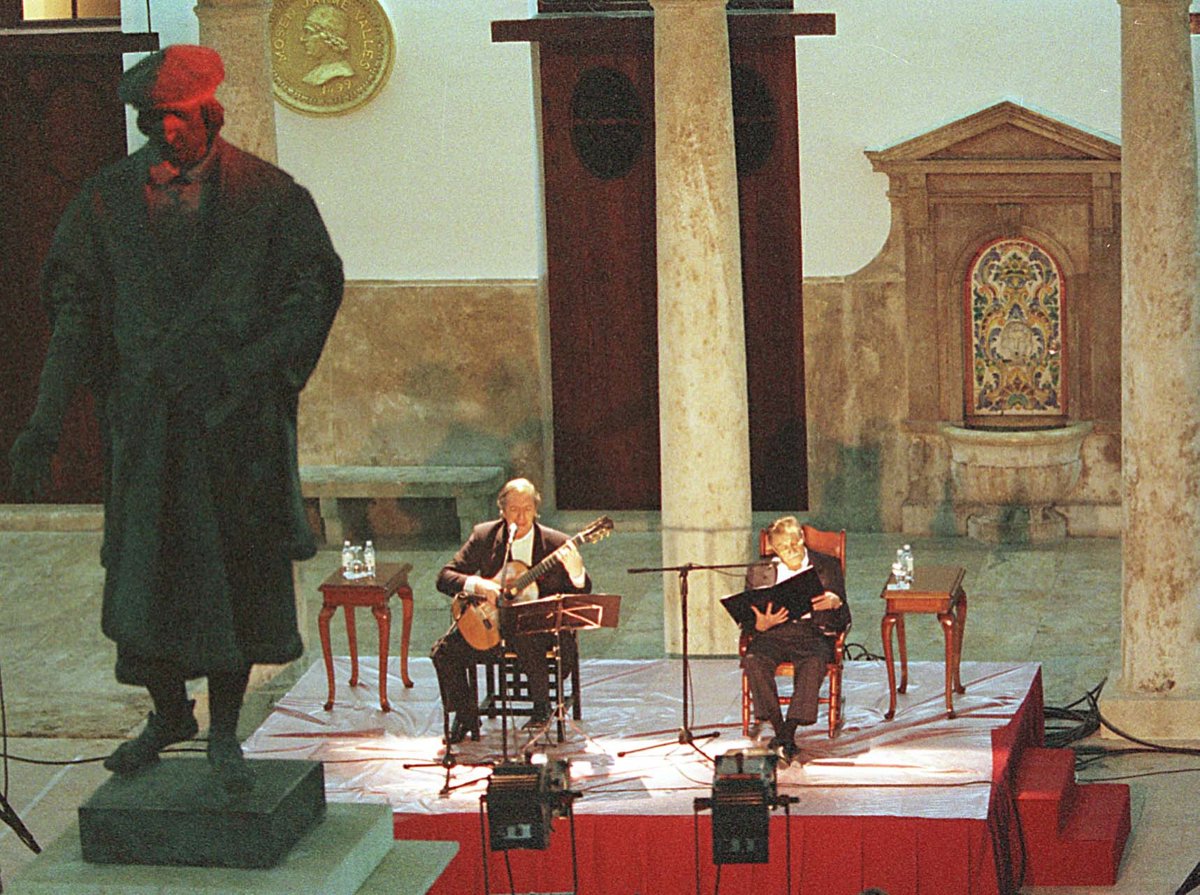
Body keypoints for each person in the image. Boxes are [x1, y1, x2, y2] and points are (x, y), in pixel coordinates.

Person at [7, 45, 343, 793]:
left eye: (177, 117)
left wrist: (248, 369)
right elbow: (74, 313)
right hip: (149, 430)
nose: (164, 131)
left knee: (235, 579)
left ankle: (224, 731)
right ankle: (168, 714)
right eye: (149, 118)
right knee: (142, 581)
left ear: (210, 114)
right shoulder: (105, 201)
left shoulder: (271, 197)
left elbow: (311, 298)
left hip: (235, 431)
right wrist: (44, 423)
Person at [434, 478, 590, 744]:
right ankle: (465, 714)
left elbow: (582, 594)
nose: (521, 517)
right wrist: (480, 585)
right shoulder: (485, 536)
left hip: (539, 632)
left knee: (525, 635)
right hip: (490, 625)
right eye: (514, 510)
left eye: (527, 509)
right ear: (502, 511)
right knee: (444, 652)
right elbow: (445, 577)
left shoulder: (556, 543)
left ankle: (542, 707)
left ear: (536, 510)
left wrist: (577, 573)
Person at [742, 515, 850, 761]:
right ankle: (781, 730)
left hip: (812, 632)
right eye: (782, 547)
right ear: (774, 549)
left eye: (793, 543)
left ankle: (786, 732)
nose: (789, 550)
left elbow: (844, 617)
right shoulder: (760, 571)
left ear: (802, 538)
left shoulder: (827, 565)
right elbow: (747, 616)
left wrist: (836, 602)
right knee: (754, 659)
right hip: (772, 633)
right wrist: (759, 623)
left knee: (814, 663)